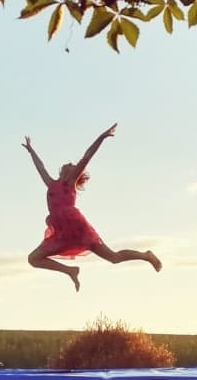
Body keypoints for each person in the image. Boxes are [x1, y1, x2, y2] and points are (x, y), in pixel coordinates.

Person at [23, 123, 162, 291]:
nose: (69, 163)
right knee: (33, 259)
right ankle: (70, 270)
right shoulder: (51, 183)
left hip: (76, 227)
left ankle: (146, 256)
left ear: (73, 172)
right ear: (61, 171)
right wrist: (31, 151)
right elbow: (40, 167)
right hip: (60, 232)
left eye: (72, 165)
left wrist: (102, 138)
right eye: (68, 164)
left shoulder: (70, 181)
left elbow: (87, 156)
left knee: (113, 257)